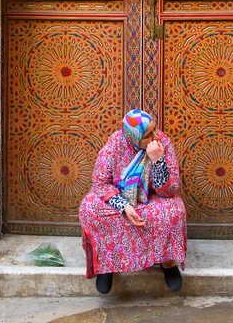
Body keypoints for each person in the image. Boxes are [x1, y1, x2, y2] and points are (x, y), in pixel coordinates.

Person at [79, 108, 187, 294]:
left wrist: (158, 161)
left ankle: (167, 262)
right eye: (148, 134)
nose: (155, 137)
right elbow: (100, 182)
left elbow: (170, 191)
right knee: (89, 209)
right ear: (133, 137)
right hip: (119, 197)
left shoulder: (163, 143)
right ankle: (107, 264)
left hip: (152, 198)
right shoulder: (116, 142)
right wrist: (124, 206)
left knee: (174, 210)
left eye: (155, 129)